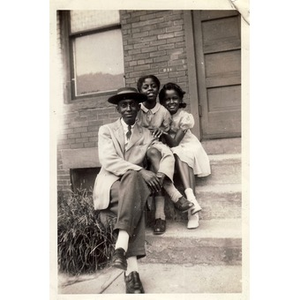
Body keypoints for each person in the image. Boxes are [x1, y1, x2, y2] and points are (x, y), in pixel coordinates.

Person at [92, 87, 191, 293]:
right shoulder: (106, 130)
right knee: (134, 180)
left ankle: (128, 264)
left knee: (133, 186)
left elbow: (166, 153)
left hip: (132, 190)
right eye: (123, 105)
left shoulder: (146, 133)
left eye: (132, 104)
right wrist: (141, 171)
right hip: (111, 185)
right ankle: (131, 267)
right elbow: (109, 160)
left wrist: (161, 174)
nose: (128, 108)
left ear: (138, 108)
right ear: (118, 109)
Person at [136, 75, 193, 234]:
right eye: (145, 87)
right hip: (139, 147)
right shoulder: (136, 108)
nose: (150, 90)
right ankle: (175, 197)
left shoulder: (163, 111)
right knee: (156, 160)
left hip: (155, 145)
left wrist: (161, 131)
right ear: (140, 90)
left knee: (159, 156)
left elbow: (166, 133)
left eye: (153, 86)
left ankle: (159, 217)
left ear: (157, 88)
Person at [159, 82, 211, 229]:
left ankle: (192, 210)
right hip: (173, 149)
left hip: (188, 145)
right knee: (176, 153)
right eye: (167, 100)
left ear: (181, 99)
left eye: (175, 98)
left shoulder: (185, 117)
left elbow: (175, 142)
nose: (171, 102)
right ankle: (192, 201)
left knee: (180, 153)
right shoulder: (161, 116)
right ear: (162, 102)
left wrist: (163, 131)